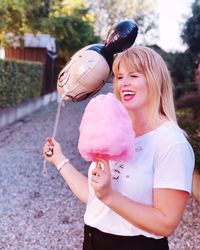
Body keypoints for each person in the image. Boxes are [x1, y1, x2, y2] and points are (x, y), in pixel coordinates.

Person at [43, 46, 195, 250]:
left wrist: (109, 195)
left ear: (155, 80)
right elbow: (95, 197)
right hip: (92, 240)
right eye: (120, 76)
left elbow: (165, 223)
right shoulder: (117, 131)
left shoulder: (171, 143)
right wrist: (59, 160)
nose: (124, 83)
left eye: (134, 75)